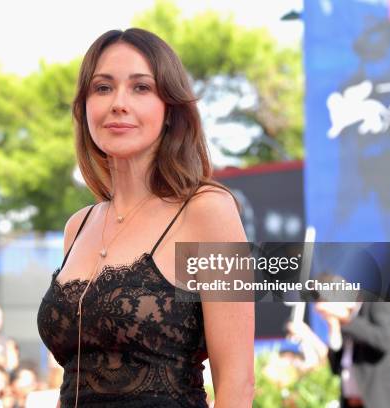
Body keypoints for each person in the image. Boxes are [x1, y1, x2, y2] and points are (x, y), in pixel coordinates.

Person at [36, 28, 254, 407]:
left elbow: (237, 383)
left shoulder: (208, 211)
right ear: (85, 106)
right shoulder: (78, 227)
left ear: (170, 108)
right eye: (102, 88)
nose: (118, 103)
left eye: (141, 88)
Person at [316, 301, 390, 408]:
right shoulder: (349, 310)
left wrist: (347, 319)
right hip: (351, 402)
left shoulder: (377, 301)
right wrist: (334, 325)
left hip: (382, 401)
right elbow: (336, 368)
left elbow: (384, 340)